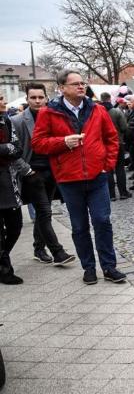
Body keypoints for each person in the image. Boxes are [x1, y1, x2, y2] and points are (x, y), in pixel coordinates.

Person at [31, 69, 126, 285]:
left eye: (82, 83)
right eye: (75, 84)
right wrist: (63, 142)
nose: (81, 86)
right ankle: (89, 268)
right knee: (80, 226)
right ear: (62, 88)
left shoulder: (98, 110)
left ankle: (109, 267)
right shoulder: (49, 112)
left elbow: (112, 139)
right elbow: (38, 143)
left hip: (97, 177)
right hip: (68, 179)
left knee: (102, 221)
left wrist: (107, 166)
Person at [11, 83, 77, 265]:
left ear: (46, 98)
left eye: (40, 97)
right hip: (32, 174)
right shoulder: (17, 121)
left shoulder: (53, 117)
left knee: (42, 213)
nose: (37, 101)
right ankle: (58, 252)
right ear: (27, 99)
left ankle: (39, 249)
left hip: (53, 171)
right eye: (33, 97)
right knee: (45, 212)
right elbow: (13, 152)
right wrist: (27, 171)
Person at [0, 90, 30, 284]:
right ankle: (4, 269)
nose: (3, 101)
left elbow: (17, 148)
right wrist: (6, 148)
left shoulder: (6, 120)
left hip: (8, 183)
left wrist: (6, 148)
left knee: (15, 226)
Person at [99, 92, 132, 201]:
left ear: (101, 99)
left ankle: (111, 194)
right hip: (118, 143)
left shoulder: (97, 112)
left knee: (107, 169)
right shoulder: (117, 112)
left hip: (103, 144)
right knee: (120, 168)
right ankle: (123, 192)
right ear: (110, 99)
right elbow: (124, 128)